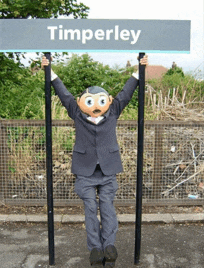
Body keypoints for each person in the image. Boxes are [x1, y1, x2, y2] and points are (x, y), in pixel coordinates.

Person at [42, 54, 148, 267]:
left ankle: (109, 245)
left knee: (108, 208)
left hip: (108, 171)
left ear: (108, 101)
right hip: (85, 172)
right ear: (82, 102)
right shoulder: (77, 113)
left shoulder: (114, 111)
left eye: (101, 100)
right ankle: (95, 250)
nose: (96, 105)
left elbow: (126, 93)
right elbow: (63, 94)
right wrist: (49, 71)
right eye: (90, 101)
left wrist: (139, 70)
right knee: (90, 209)